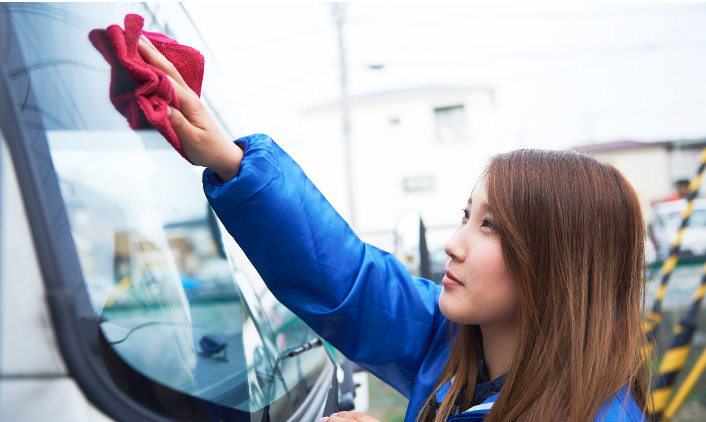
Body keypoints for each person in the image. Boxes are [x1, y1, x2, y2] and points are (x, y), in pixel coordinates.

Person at [136, 36, 650, 422]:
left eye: (490, 227)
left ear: (560, 266)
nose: (453, 244)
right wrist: (232, 162)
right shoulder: (451, 345)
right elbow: (348, 280)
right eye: (466, 215)